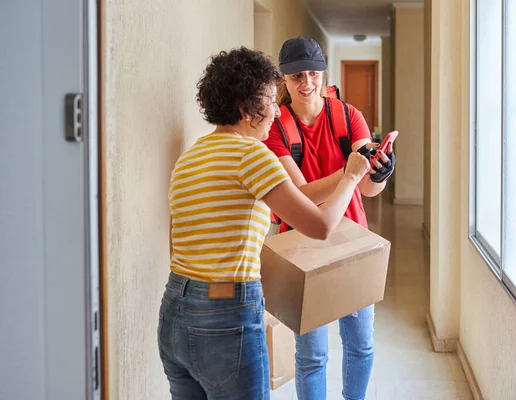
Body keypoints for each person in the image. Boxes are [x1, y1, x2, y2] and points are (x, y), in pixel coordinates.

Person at [157, 46, 371, 400]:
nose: (276, 110)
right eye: (270, 101)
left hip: (174, 313)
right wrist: (350, 177)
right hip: (225, 319)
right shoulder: (252, 155)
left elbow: (177, 244)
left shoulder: (189, 158)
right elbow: (318, 226)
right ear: (246, 110)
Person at [263, 37, 396, 400]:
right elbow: (301, 198)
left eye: (313, 74)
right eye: (296, 77)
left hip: (352, 240)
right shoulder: (276, 129)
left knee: (361, 345)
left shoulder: (348, 116)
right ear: (283, 81)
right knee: (311, 356)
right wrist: (350, 173)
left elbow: (367, 192)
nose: (306, 83)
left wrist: (378, 174)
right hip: (301, 247)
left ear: (324, 73)